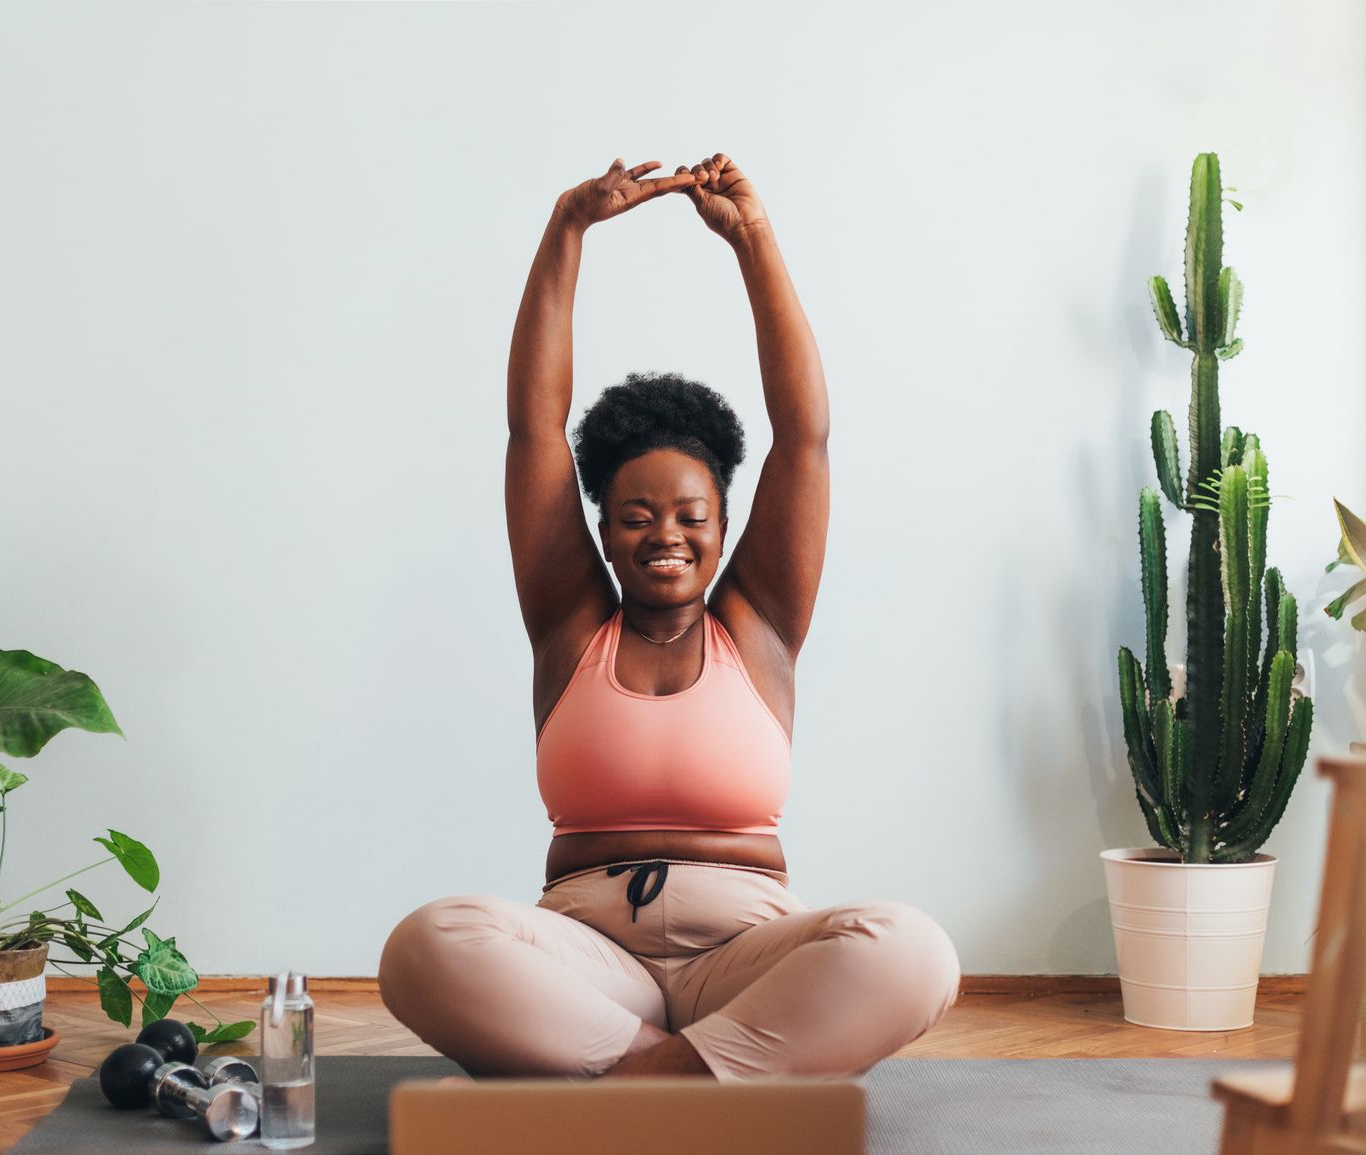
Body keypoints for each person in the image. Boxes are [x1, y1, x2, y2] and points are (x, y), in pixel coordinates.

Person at [378, 154, 960, 1081]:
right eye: (637, 516)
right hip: (588, 961)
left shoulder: (759, 627)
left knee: (911, 947)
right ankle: (695, 1082)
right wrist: (565, 232)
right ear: (601, 530)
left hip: (747, 958)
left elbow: (802, 434)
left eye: (692, 518)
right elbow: (535, 427)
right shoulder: (569, 625)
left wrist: (755, 245)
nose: (667, 537)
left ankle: (631, 1085)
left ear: (726, 528)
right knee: (428, 942)